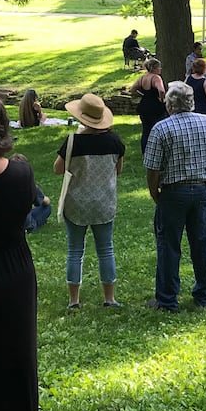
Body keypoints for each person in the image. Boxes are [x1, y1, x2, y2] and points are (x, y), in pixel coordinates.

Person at [143, 81, 206, 311]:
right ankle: (204, 296)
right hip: (201, 189)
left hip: (172, 192)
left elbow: (152, 169)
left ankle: (167, 299)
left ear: (170, 105)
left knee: (169, 245)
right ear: (191, 103)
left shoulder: (161, 128)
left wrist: (155, 193)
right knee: (202, 243)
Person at [54, 93, 126, 309]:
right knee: (106, 248)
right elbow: (118, 170)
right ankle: (109, 298)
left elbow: (57, 169)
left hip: (76, 203)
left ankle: (74, 300)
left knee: (75, 250)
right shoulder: (115, 141)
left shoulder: (73, 141)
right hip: (104, 202)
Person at [130, 57, 168, 154]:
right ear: (155, 68)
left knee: (146, 131)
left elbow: (132, 89)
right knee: (159, 130)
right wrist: (162, 99)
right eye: (159, 67)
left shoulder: (143, 78)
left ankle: (145, 151)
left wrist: (143, 95)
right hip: (155, 108)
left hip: (144, 106)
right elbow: (161, 90)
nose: (160, 69)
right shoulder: (156, 78)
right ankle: (159, 150)